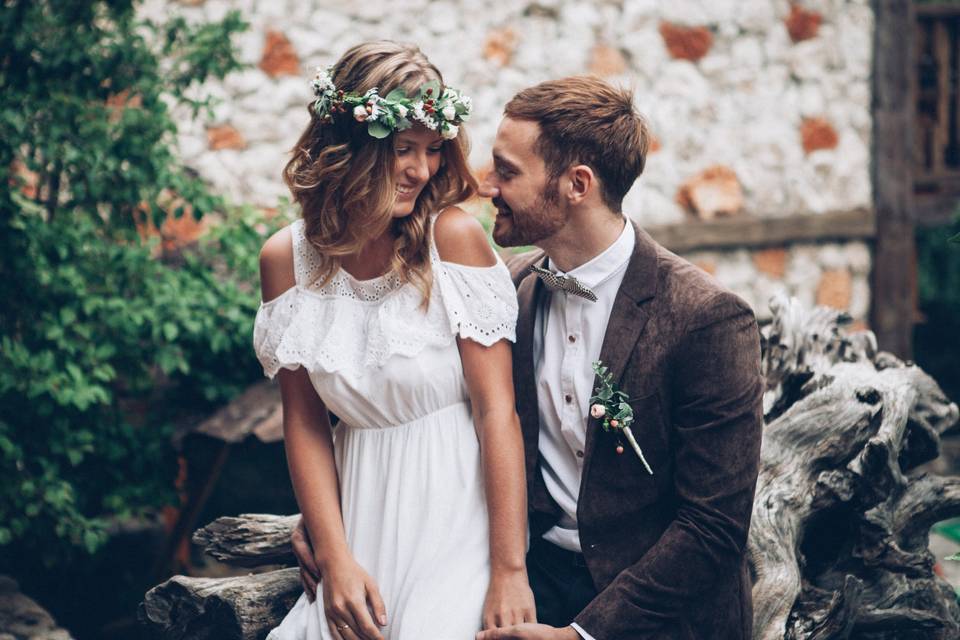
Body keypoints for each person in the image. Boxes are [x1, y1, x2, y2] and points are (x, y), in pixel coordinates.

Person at [254, 41, 534, 640]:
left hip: (461, 518)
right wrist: (334, 558)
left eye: (433, 150)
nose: (422, 169)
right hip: (358, 523)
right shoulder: (286, 260)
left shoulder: (451, 238)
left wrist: (510, 570)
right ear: (348, 148)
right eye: (402, 149)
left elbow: (497, 413)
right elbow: (303, 423)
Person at [474, 77, 764, 640]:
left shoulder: (708, 318)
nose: (487, 186)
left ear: (576, 184)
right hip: (532, 587)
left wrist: (580, 637)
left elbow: (712, 528)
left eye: (506, 171)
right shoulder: (506, 292)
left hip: (661, 613)